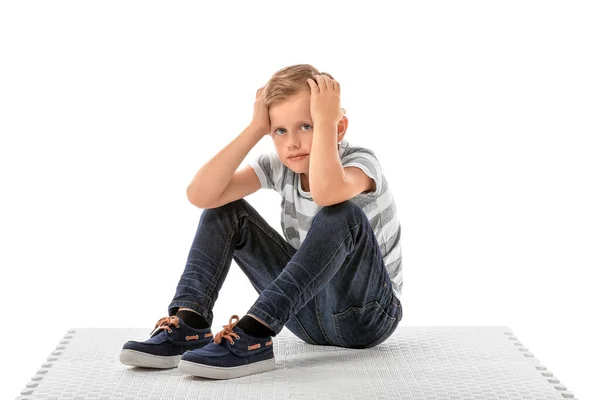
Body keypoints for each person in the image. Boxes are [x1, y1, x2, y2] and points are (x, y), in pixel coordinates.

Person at [120, 64, 403, 380]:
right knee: (224, 208)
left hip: (366, 317)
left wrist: (326, 119)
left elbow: (327, 193)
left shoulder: (362, 163)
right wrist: (256, 127)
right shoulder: (281, 167)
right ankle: (189, 324)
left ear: (338, 128)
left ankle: (254, 331)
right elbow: (200, 195)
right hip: (305, 316)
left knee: (342, 213)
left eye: (306, 126)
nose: (292, 143)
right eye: (280, 131)